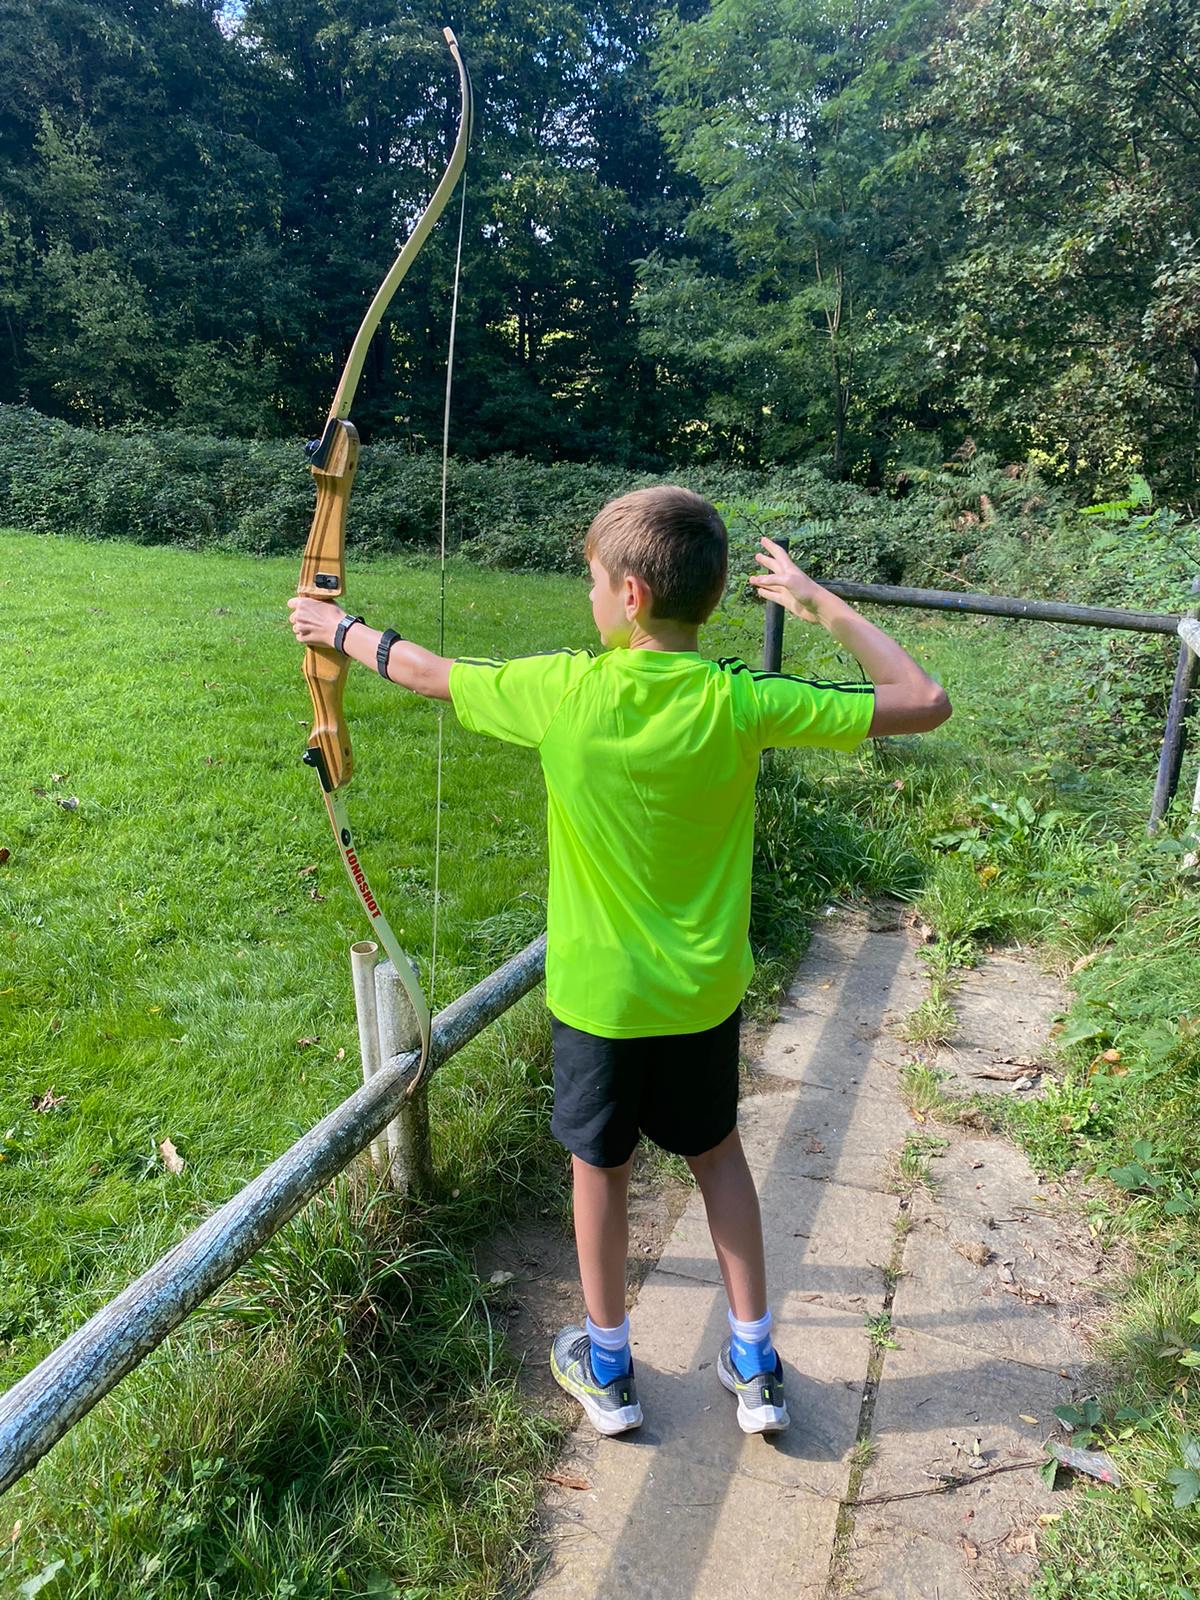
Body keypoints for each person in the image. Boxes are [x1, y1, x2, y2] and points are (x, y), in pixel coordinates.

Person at [288, 485, 950, 1440]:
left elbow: (428, 673)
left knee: (599, 1171)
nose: (589, 596)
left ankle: (609, 1368)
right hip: (701, 996)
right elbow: (924, 701)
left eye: (596, 581)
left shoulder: (565, 690)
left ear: (632, 595)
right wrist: (820, 606)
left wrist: (336, 629)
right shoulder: (740, 700)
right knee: (716, 1156)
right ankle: (755, 1363)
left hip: (601, 999)